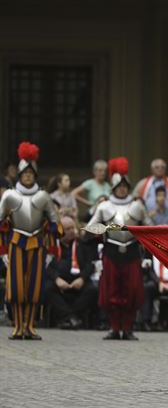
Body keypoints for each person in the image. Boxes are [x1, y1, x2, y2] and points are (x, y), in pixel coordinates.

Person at [0, 142, 62, 340]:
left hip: (37, 243)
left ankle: (30, 326)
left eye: (30, 173)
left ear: (35, 175)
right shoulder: (9, 195)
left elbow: (55, 223)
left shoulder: (43, 196)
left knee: (34, 288)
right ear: (19, 176)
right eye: (24, 173)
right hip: (16, 243)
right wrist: (2, 252)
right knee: (17, 288)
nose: (27, 176)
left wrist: (51, 250)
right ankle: (18, 326)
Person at [87, 157, 152, 341]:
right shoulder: (104, 206)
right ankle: (114, 327)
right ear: (114, 188)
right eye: (119, 186)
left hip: (132, 251)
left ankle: (128, 328)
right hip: (111, 251)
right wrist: (100, 232)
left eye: (125, 186)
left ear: (128, 186)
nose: (122, 189)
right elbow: (90, 228)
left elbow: (149, 228)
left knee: (133, 291)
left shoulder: (137, 206)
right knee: (111, 292)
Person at [45, 216, 98, 329]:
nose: (72, 231)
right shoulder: (53, 245)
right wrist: (56, 279)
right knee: (47, 288)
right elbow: (47, 266)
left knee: (92, 290)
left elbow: (90, 264)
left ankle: (68, 318)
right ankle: (72, 318)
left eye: (73, 228)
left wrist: (82, 278)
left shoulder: (83, 243)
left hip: (78, 280)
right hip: (59, 280)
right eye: (68, 229)